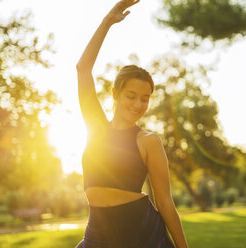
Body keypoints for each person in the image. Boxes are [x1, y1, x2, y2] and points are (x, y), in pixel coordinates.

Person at [75, 0, 188, 247]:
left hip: (141, 234)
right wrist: (107, 21)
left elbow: (165, 202)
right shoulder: (96, 128)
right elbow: (83, 68)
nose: (138, 105)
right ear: (115, 94)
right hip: (98, 235)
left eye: (145, 99)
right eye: (131, 96)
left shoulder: (148, 141)